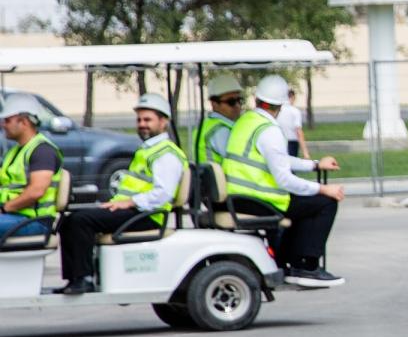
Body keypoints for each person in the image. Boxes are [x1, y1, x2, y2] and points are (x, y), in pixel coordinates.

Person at [221, 75, 347, 287]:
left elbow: (277, 159)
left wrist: (314, 165)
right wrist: (324, 189)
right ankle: (305, 267)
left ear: (258, 100)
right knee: (324, 203)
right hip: (258, 200)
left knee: (305, 201)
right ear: (281, 104)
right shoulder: (270, 130)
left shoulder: (247, 122)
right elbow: (285, 179)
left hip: (238, 196)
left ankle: (287, 262)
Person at [58, 93, 187, 293]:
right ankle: (74, 279)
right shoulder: (148, 150)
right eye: (139, 120)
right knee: (68, 220)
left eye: (148, 120)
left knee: (80, 221)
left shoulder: (166, 153)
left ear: (163, 122)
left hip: (148, 214)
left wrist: (129, 202)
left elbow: (163, 194)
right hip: (135, 210)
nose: (142, 124)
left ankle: (84, 279)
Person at [0, 93, 61, 244]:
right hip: (15, 217)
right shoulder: (15, 151)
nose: (3, 124)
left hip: (33, 221)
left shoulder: (42, 151)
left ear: (24, 122)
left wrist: (4, 209)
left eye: (7, 120)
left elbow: (36, 191)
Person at [192, 73, 246, 166]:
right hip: (221, 180)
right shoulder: (220, 130)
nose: (237, 106)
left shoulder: (208, 125)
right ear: (214, 104)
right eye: (231, 102)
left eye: (239, 100)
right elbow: (239, 162)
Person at [276, 85, 309, 160]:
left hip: (278, 142)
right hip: (292, 142)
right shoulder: (295, 111)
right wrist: (305, 151)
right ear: (293, 97)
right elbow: (298, 131)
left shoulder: (277, 111)